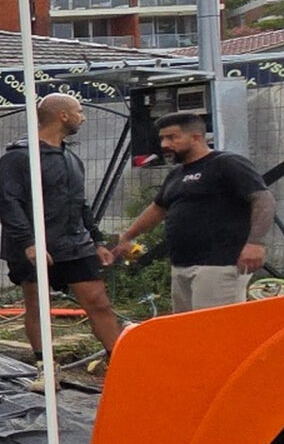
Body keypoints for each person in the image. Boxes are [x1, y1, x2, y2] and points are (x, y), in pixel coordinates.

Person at [0, 93, 126, 360]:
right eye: (79, 111)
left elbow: (80, 203)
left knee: (98, 301)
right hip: (34, 245)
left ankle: (119, 362)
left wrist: (97, 241)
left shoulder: (71, 158)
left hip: (74, 243)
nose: (83, 117)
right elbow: (9, 204)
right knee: (38, 305)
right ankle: (44, 365)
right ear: (63, 115)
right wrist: (29, 243)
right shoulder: (20, 157)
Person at [115, 112, 274, 312]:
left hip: (220, 265)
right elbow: (157, 208)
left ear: (196, 137)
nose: (164, 144)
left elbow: (263, 199)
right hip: (181, 264)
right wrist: (127, 236)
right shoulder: (177, 173)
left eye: (172, 137)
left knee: (214, 326)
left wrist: (255, 243)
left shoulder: (227, 164)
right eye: (162, 138)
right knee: (185, 326)